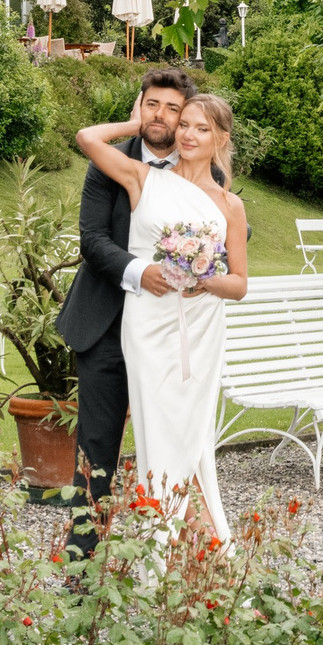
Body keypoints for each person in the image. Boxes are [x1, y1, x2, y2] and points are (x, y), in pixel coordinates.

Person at [76, 91, 249, 538]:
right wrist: (135, 125)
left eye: (201, 128)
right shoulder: (143, 178)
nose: (187, 134)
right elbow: (87, 137)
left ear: (221, 138)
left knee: (191, 442)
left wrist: (202, 278)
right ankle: (174, 553)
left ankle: (197, 560)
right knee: (159, 436)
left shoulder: (230, 205)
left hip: (201, 329)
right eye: (184, 124)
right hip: (148, 326)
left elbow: (240, 284)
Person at [54, 66, 192, 556]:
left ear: (185, 116)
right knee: (96, 451)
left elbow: (227, 226)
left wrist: (198, 263)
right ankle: (82, 567)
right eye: (152, 104)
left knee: (173, 446)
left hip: (170, 332)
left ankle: (169, 563)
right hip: (107, 325)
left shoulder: (200, 167)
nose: (161, 115)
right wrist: (140, 271)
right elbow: (92, 240)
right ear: (139, 106)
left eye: (172, 108)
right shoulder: (110, 162)